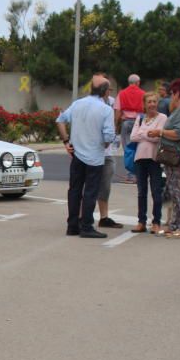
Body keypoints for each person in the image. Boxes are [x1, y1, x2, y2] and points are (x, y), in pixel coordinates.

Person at [56, 74, 116, 239]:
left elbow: (60, 120)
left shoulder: (77, 104)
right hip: (95, 157)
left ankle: (72, 225)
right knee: (90, 191)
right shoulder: (106, 109)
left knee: (74, 190)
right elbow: (109, 136)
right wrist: (103, 144)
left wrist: (66, 141)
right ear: (105, 92)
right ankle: (87, 226)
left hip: (77, 155)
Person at [149, 78, 180, 239]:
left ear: (177, 93)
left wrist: (160, 133)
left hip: (179, 158)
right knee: (175, 191)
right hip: (177, 158)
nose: (171, 97)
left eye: (172, 93)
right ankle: (175, 225)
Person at [129, 91, 168, 234]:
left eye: (154, 101)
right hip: (140, 158)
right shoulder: (140, 119)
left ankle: (156, 222)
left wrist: (143, 134)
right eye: (149, 102)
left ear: (157, 103)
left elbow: (158, 138)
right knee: (141, 192)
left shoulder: (162, 117)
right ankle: (141, 221)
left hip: (155, 159)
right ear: (144, 104)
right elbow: (133, 137)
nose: (152, 104)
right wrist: (148, 134)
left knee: (156, 191)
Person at [97, 84, 123, 229]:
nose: (108, 91)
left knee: (105, 186)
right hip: (93, 152)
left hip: (108, 152)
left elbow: (117, 118)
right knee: (89, 185)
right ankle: (82, 217)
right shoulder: (91, 104)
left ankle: (104, 217)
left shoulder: (112, 102)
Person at [115, 74, 145, 183]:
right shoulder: (143, 94)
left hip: (126, 122)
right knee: (138, 148)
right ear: (138, 82)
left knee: (128, 149)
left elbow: (118, 110)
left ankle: (131, 175)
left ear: (129, 82)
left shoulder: (122, 93)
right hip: (140, 122)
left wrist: (115, 125)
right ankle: (139, 174)